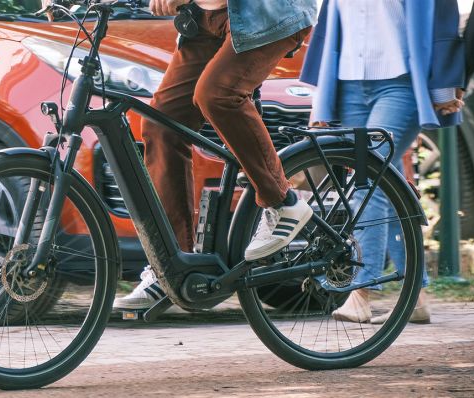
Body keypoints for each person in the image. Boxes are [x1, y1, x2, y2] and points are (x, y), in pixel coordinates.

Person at [113, 0, 319, 310]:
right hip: (206, 17)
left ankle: (283, 202)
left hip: (267, 13)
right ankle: (170, 267)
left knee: (217, 94)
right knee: (162, 124)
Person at [300, 0, 465, 324]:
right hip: (347, 84)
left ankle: (361, 291)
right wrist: (321, 101)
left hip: (401, 83)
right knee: (384, 187)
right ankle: (415, 296)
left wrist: (445, 86)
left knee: (369, 181)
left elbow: (443, 18)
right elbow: (330, 27)